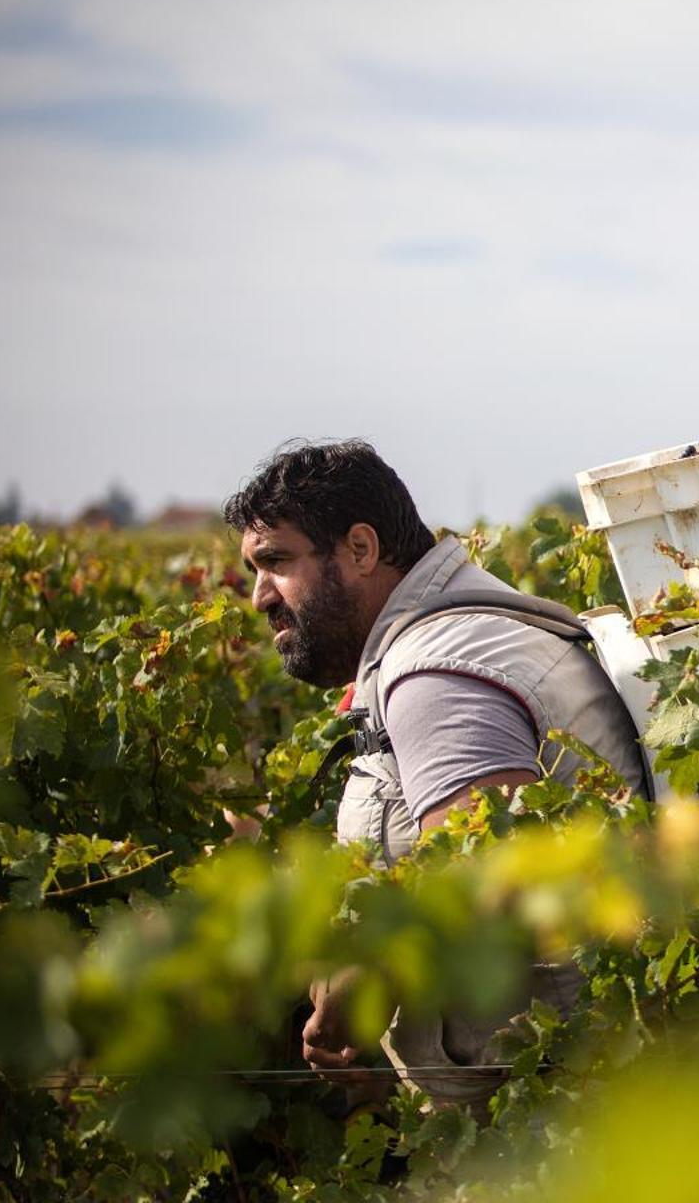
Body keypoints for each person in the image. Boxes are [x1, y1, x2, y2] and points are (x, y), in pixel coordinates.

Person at [223, 440, 647, 1106]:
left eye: (277, 562)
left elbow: (489, 868)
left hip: (563, 1119)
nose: (258, 597)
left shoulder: (434, 670)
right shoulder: (456, 634)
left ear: (360, 549)